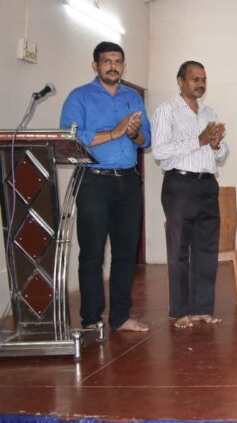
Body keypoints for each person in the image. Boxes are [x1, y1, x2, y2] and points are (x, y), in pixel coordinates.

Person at [59, 41, 151, 332]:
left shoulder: (132, 97)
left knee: (126, 253)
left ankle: (120, 317)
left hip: (128, 181)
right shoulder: (80, 97)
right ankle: (91, 320)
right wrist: (115, 131)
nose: (113, 66)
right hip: (93, 181)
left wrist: (133, 133)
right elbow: (69, 138)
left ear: (124, 66)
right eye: (107, 61)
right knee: (92, 253)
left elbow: (146, 140)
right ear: (95, 66)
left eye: (118, 61)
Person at [151, 60, 228, 329]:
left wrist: (216, 145)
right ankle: (180, 311)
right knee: (179, 250)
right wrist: (199, 140)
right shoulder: (166, 111)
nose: (200, 84)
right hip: (180, 185)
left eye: (203, 79)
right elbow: (160, 152)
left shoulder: (209, 112)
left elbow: (221, 155)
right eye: (195, 79)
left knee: (207, 250)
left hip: (207, 184)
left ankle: (202, 309)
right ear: (181, 81)